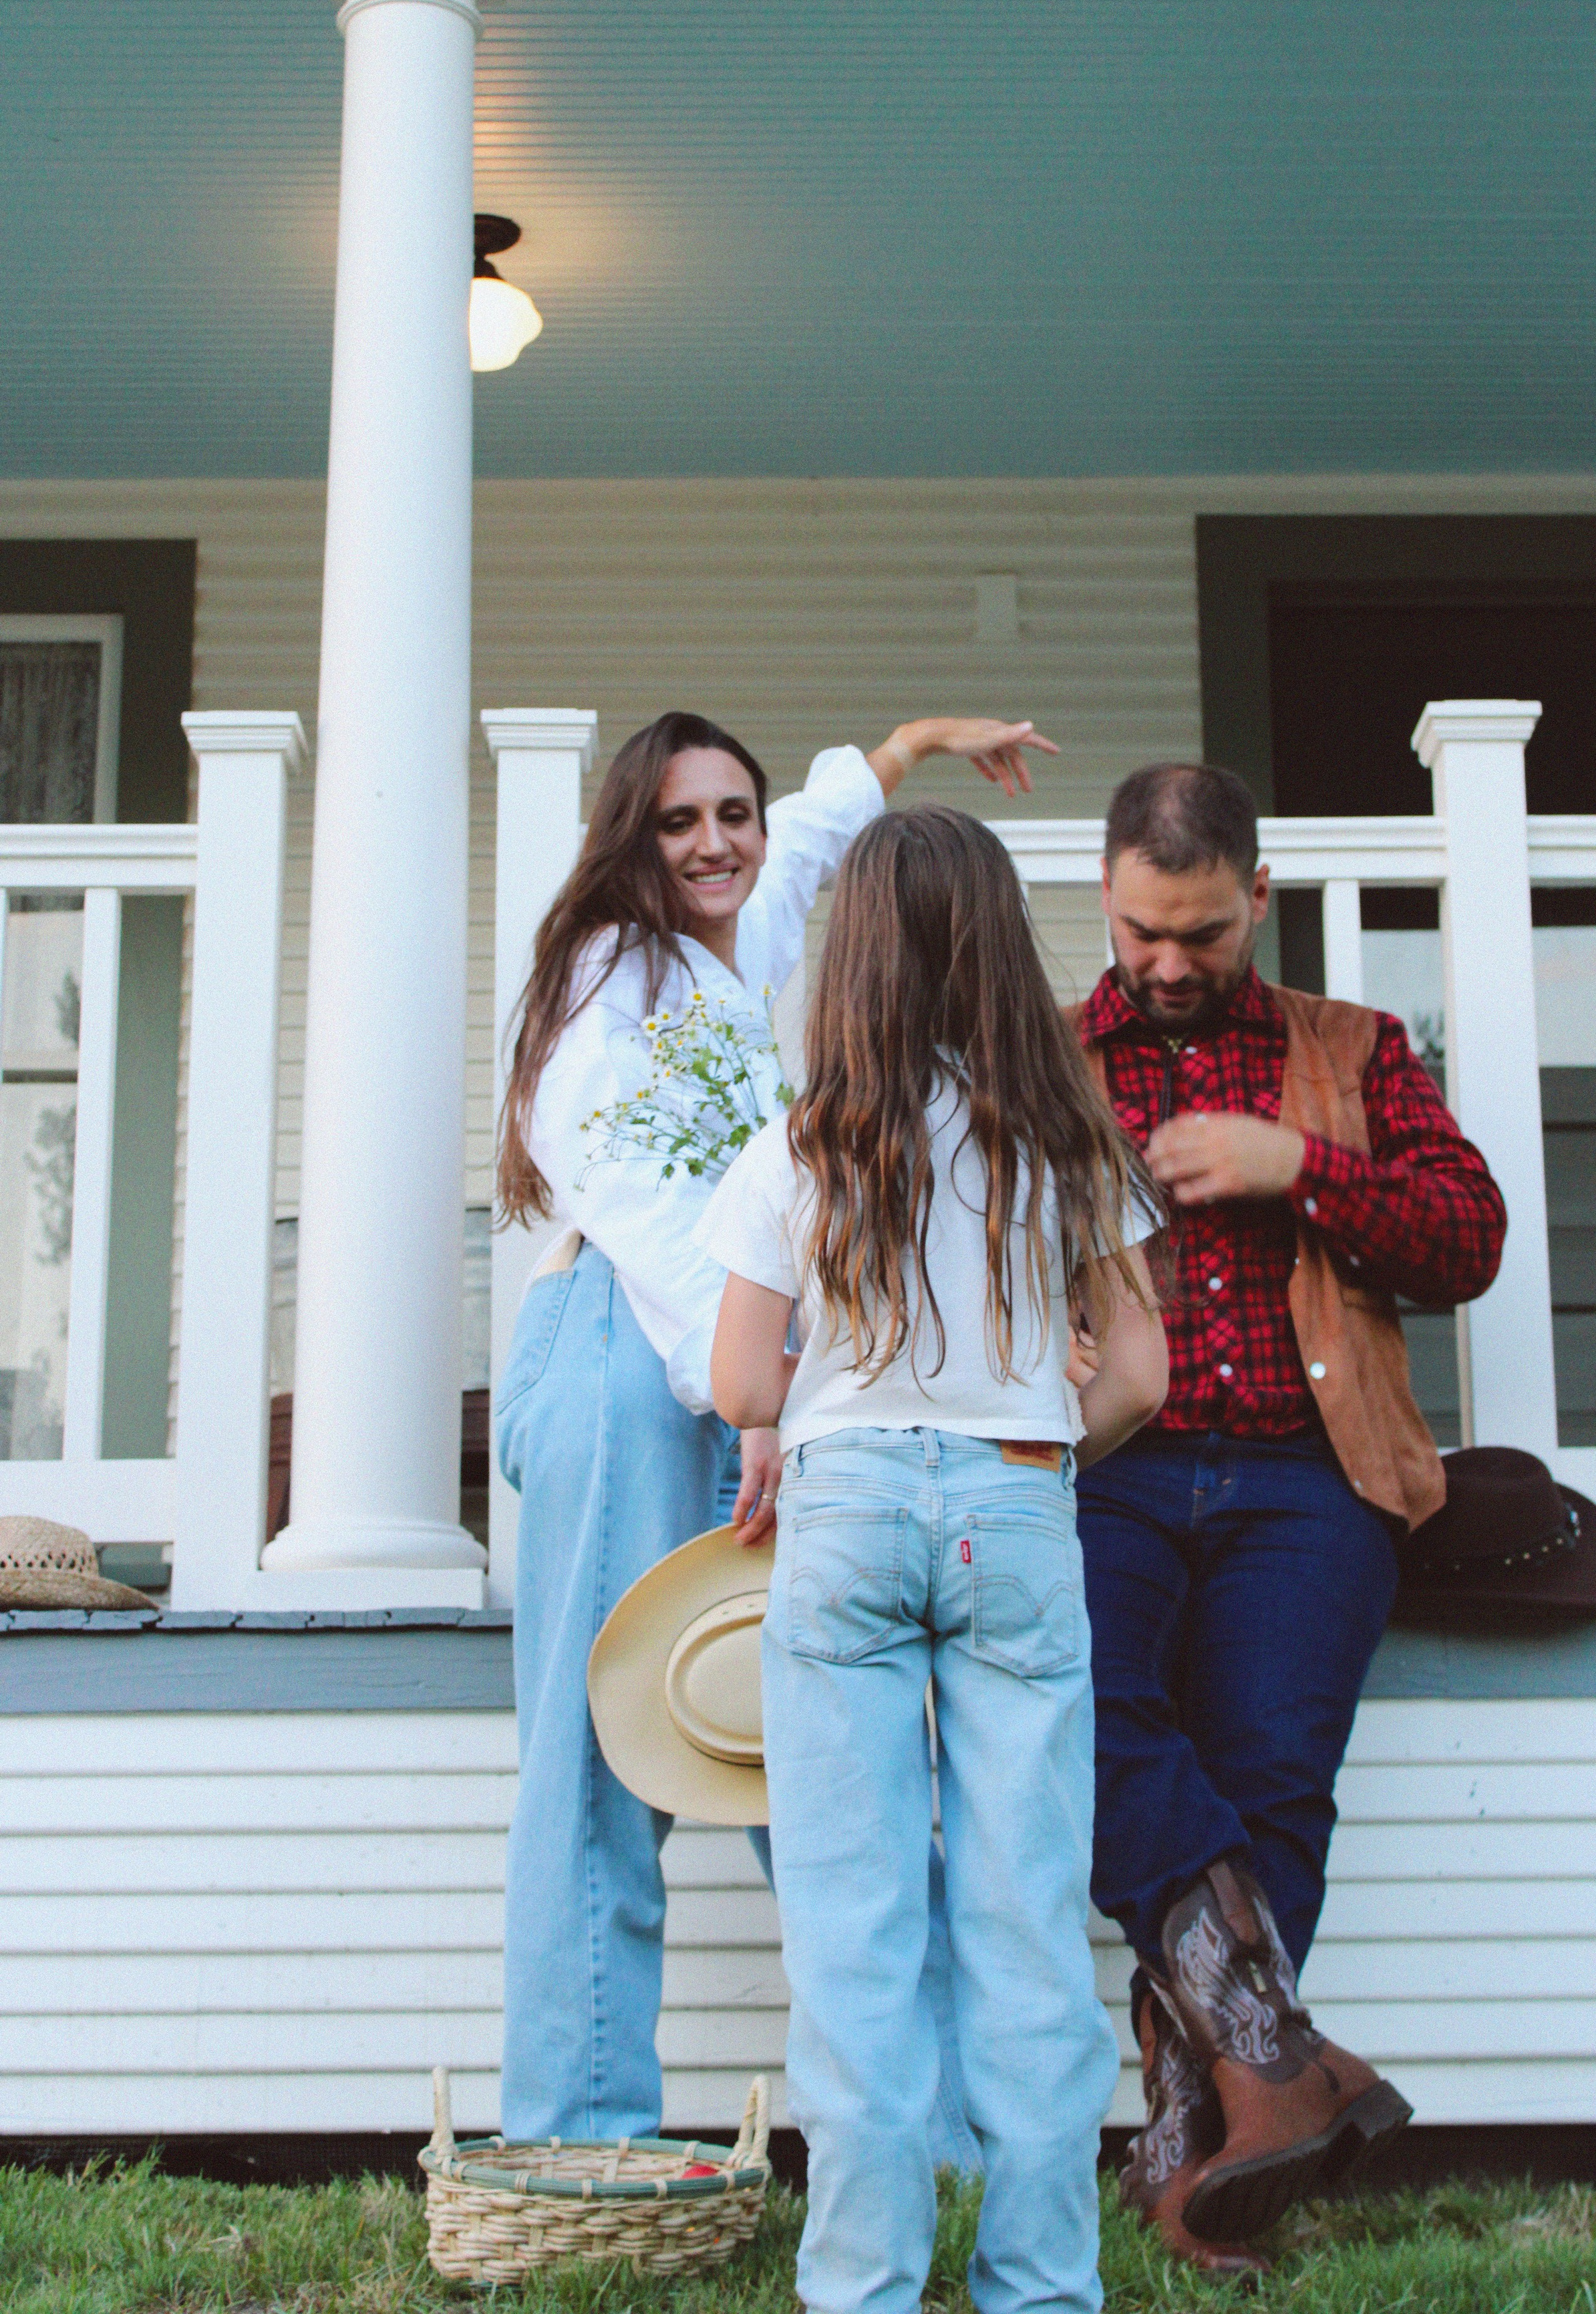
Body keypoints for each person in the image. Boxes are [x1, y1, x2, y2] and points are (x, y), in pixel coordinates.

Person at [492, 708, 1054, 2144]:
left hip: (751, 1369)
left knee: (810, 1749)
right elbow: (630, 1199)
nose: (714, 845)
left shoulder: (742, 942)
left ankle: (916, 2141)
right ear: (631, 840)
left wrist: (912, 744)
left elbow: (807, 841)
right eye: (678, 823)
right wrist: (752, 1396)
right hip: (637, 1356)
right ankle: (583, 2144)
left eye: (729, 814)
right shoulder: (609, 972)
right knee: (599, 1753)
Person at [697, 806, 1170, 2314]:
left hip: (840, 1515)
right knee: (1026, 1925)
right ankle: (1040, 2285)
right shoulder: (1063, 1140)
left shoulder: (802, 1142)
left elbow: (737, 1385)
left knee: (853, 1933)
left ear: (851, 965)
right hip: (1017, 1508)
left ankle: (865, 2286)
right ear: (999, 954)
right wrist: (1033, 1439)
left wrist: (819, 1401)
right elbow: (1141, 1379)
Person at [1072, 762, 1508, 2274]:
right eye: (1141, 933)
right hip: (1107, 1471)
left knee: (1271, 1784)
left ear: (1255, 898)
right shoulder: (1049, 1060)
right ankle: (1280, 2068)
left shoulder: (1351, 1049)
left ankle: (1196, 2155)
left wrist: (1297, 1168)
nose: (1168, 966)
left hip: (1307, 1476)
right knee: (1080, 1707)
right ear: (1105, 899)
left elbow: (1468, 1239)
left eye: (1199, 932)